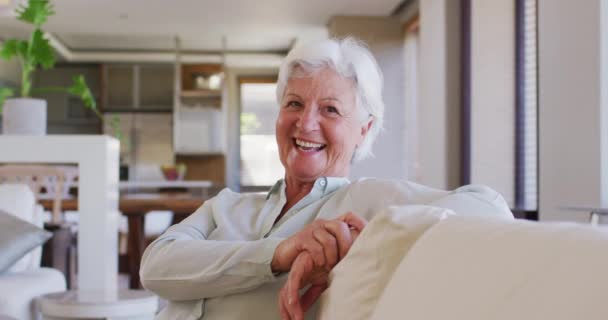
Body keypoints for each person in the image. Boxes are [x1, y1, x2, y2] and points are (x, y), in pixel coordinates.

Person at [140, 37, 511, 320]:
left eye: (330, 109)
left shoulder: (367, 201)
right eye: (294, 104)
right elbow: (155, 266)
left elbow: (491, 210)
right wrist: (281, 254)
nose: (306, 123)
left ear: (363, 131)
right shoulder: (227, 204)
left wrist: (377, 238)